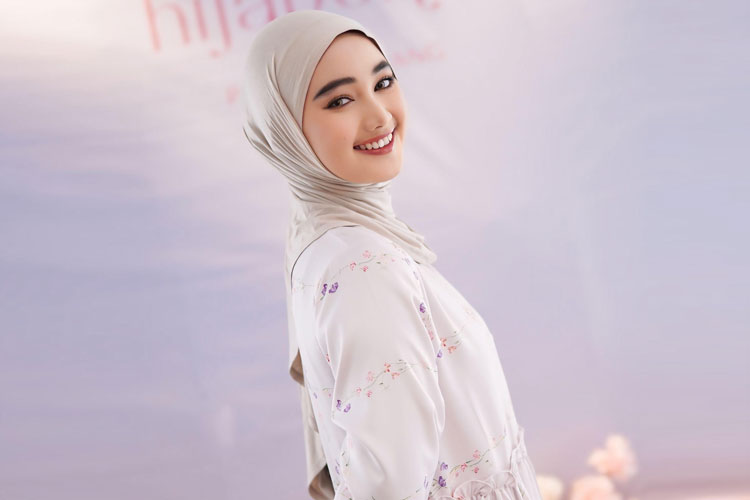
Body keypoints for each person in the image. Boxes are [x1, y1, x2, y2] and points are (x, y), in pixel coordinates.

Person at [241, 9, 544, 500]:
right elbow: (390, 482)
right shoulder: (361, 267)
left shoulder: (330, 244)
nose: (380, 115)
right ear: (285, 131)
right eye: (339, 100)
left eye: (383, 83)